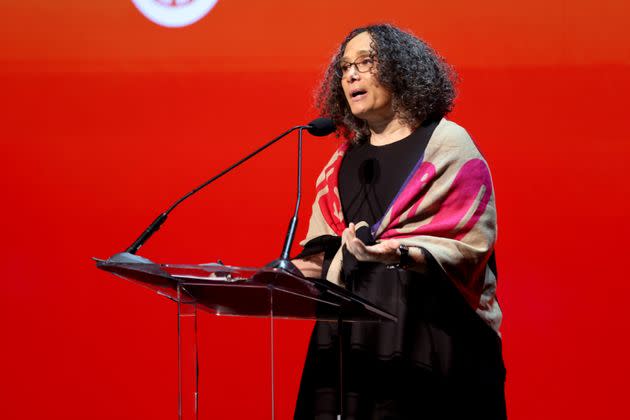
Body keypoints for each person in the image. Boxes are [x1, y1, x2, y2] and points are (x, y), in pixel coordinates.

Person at [292, 24, 506, 420]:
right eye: (344, 68)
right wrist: (276, 275)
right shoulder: (341, 160)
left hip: (427, 340)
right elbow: (323, 255)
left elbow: (469, 250)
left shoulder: (448, 145)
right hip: (349, 347)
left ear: (400, 70)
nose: (350, 75)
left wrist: (398, 253)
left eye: (365, 62)